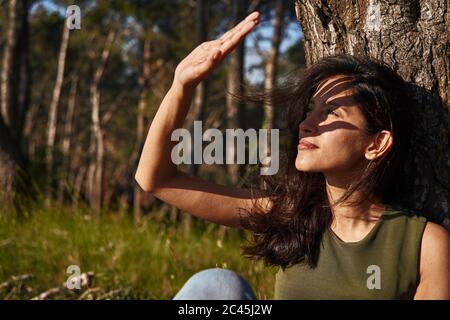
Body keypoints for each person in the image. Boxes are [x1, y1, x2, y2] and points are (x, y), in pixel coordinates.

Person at [134, 11, 450, 300]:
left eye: (330, 113)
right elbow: (155, 179)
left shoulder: (424, 245)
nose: (307, 124)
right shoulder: (290, 214)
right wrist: (182, 85)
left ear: (377, 143)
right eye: (309, 111)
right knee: (217, 286)